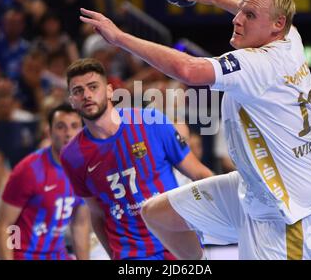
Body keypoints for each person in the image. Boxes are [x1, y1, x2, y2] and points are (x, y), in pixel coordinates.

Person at [79, 0, 311, 260]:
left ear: (277, 25)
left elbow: (188, 70)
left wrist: (120, 39)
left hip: (287, 215)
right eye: (239, 10)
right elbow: (259, 12)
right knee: (158, 214)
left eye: (248, 15)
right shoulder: (292, 38)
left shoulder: (259, 64)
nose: (237, 19)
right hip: (253, 190)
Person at [60, 58, 213, 260]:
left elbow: (200, 174)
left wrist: (224, 224)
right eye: (78, 91)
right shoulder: (72, 156)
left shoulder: (151, 121)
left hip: (178, 244)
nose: (86, 95)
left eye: (93, 87)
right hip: (131, 254)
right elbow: (97, 214)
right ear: (71, 100)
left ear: (109, 91)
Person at [0, 103, 90, 260]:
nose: (68, 133)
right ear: (49, 132)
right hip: (23, 256)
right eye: (61, 126)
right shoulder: (28, 170)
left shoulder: (83, 170)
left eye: (74, 126)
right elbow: (3, 225)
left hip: (58, 255)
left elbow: (80, 224)